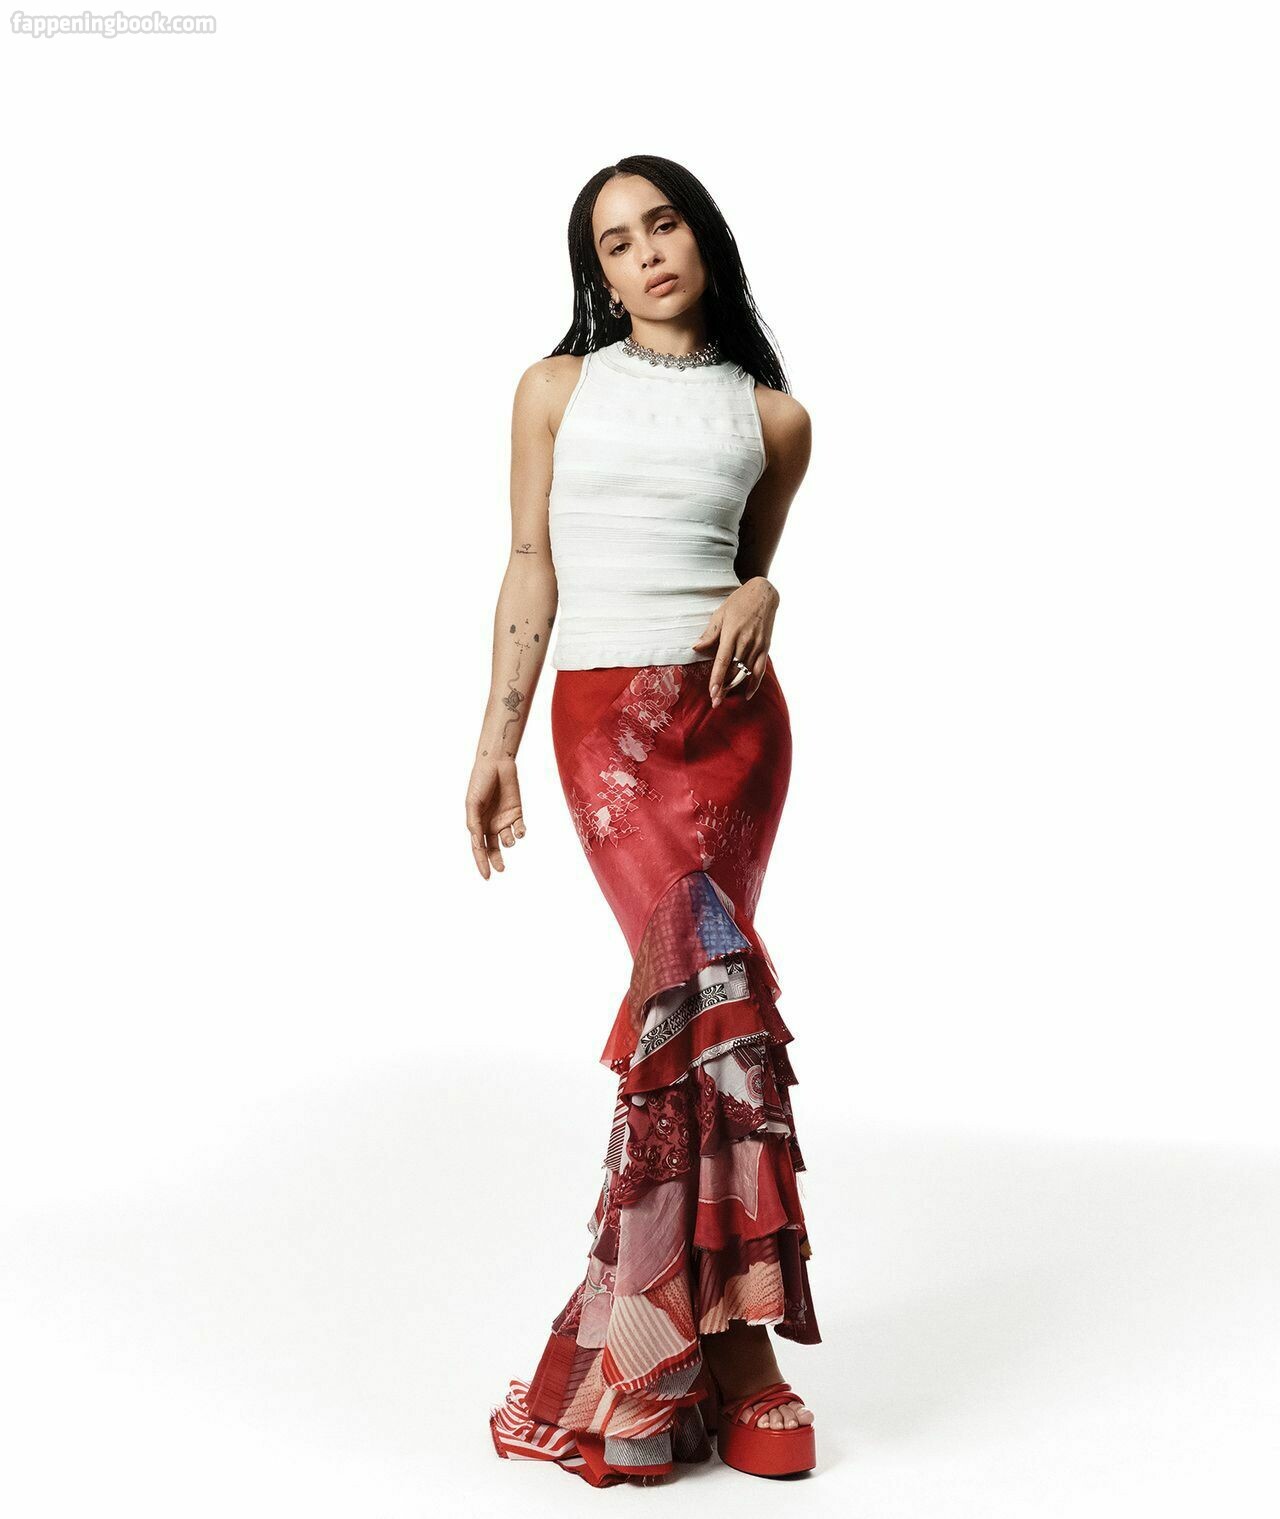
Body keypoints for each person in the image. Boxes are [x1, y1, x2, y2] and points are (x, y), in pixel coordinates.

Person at [472, 155, 820, 1487]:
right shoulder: (557, 389)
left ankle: (695, 1343)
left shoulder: (775, 418)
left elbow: (743, 572)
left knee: (713, 1000)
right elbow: (530, 562)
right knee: (700, 987)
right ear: (598, 274)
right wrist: (496, 744)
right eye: (615, 243)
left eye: (662, 224)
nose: (646, 253)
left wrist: (766, 597)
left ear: (702, 235)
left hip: (732, 727)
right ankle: (737, 1359)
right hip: (607, 724)